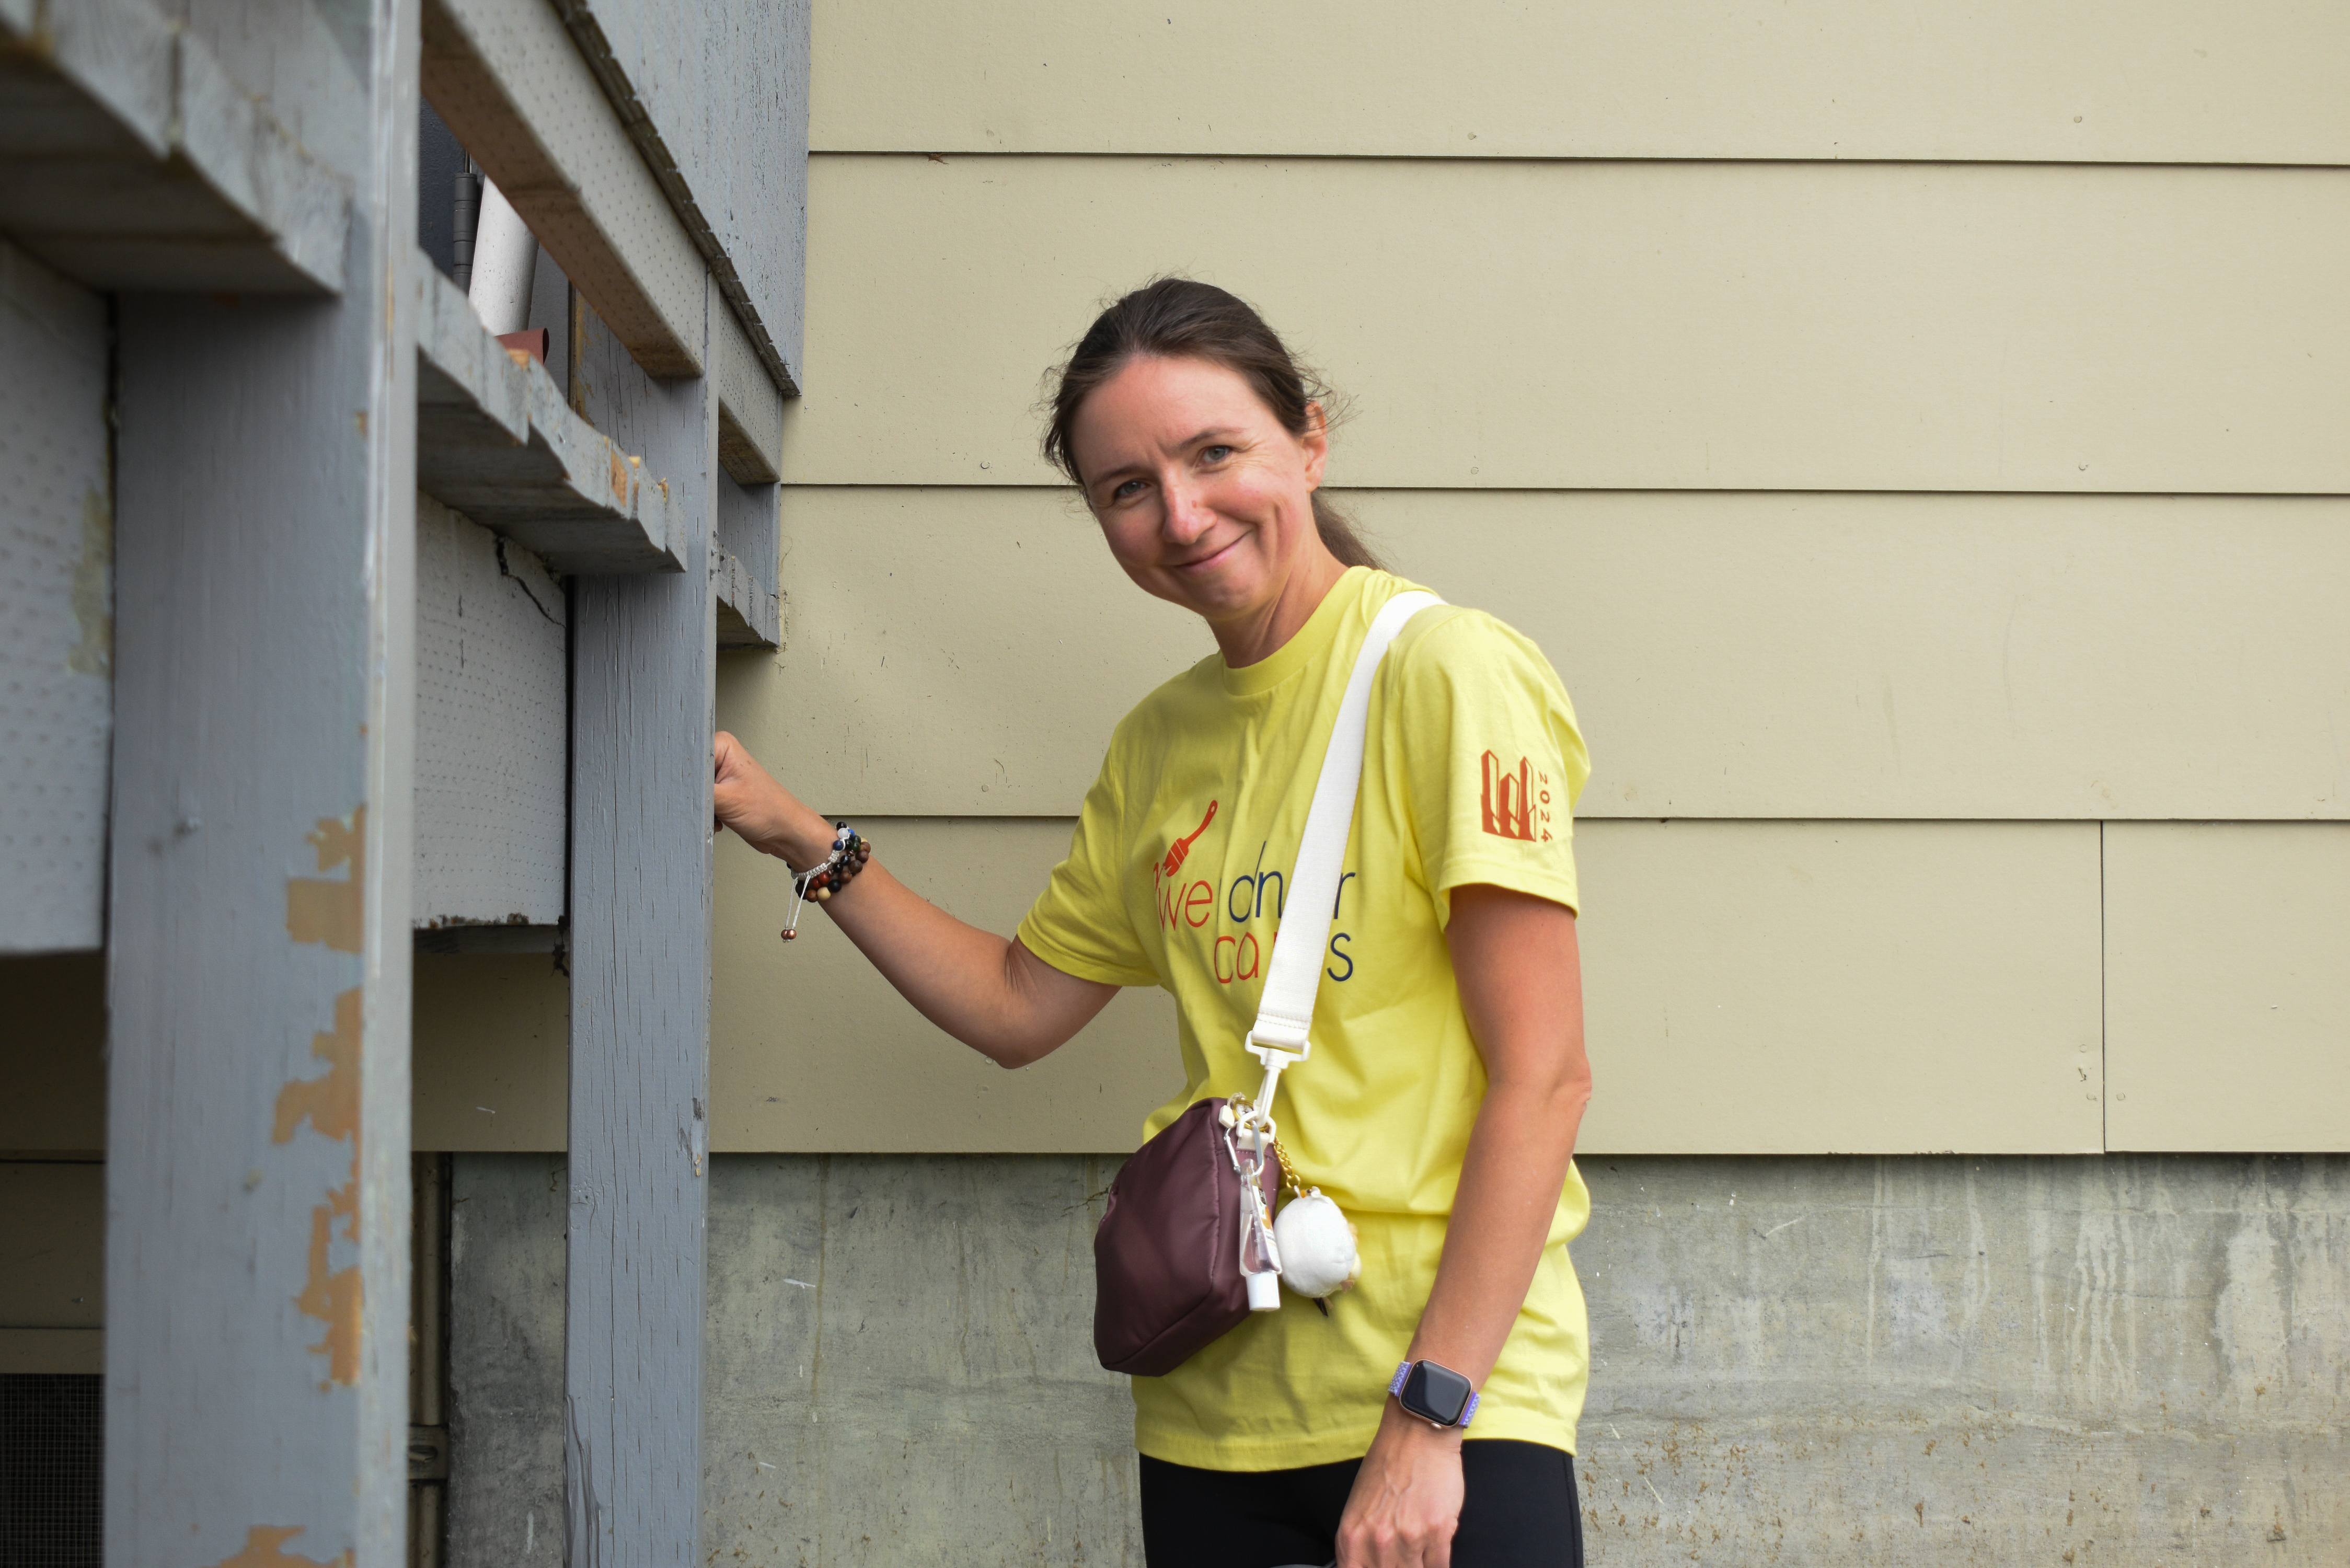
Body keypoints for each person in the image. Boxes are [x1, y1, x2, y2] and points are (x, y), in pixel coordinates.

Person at [713, 279, 1594, 1568]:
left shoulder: (1446, 671)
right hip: (1211, 1414)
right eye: (1127, 489)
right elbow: (1018, 1008)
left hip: (1443, 1405)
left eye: (1214, 453)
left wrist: (1431, 1412)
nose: (1180, 516)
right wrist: (808, 841)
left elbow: (1545, 1075)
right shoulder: (1164, 742)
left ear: (1309, 437)